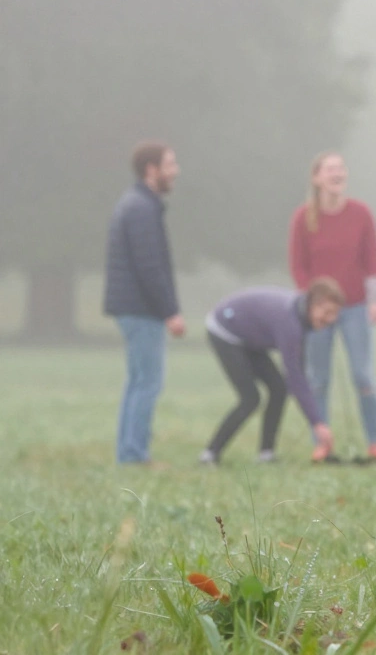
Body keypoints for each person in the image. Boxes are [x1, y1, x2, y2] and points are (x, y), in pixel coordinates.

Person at [289, 151, 376, 462]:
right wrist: (312, 303)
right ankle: (322, 443)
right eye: (330, 169)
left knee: (363, 376)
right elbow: (298, 266)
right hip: (318, 312)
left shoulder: (361, 214)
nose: (337, 173)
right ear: (317, 177)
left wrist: (375, 300)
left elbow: (372, 261)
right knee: (318, 379)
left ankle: (375, 443)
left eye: (341, 168)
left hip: (356, 306)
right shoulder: (303, 218)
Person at [103, 142, 186, 464]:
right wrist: (170, 311)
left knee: (138, 382)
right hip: (140, 309)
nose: (175, 171)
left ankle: (129, 452)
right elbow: (149, 266)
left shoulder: (138, 204)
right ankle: (134, 455)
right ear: (152, 170)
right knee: (148, 383)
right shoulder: (141, 209)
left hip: (133, 307)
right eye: (170, 164)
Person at [198, 279, 342, 465]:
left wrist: (313, 416)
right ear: (313, 305)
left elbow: (298, 370)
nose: (330, 319)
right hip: (225, 330)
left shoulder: (301, 316)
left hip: (249, 337)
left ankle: (266, 454)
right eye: (327, 312)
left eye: (335, 314)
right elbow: (295, 376)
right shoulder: (290, 323)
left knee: (279, 389)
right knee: (250, 399)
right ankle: (210, 454)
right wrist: (317, 423)